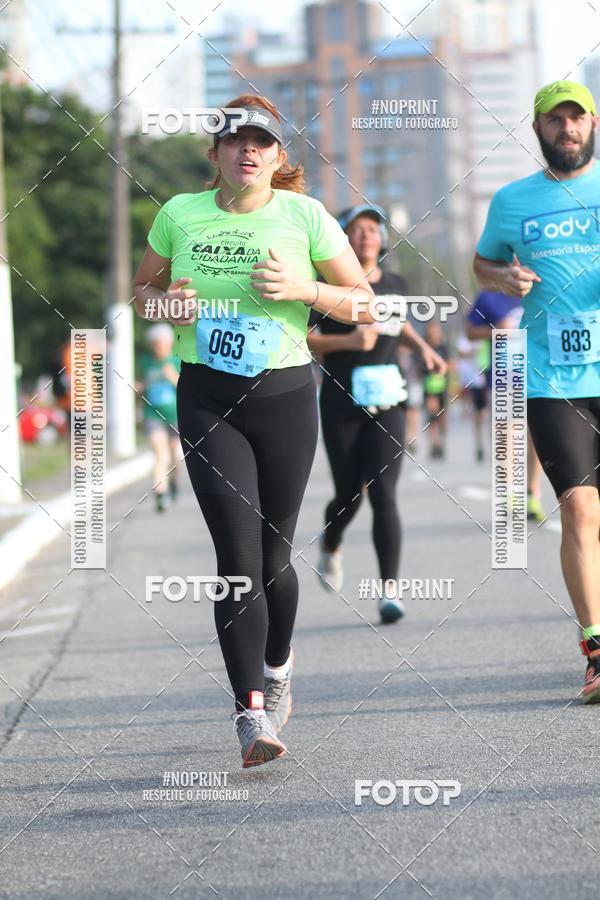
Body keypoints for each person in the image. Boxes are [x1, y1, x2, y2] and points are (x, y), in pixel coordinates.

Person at [133, 94, 375, 767]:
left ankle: (279, 663)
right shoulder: (179, 213)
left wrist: (304, 290)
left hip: (286, 397)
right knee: (237, 561)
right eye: (234, 140)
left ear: (278, 156)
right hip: (207, 399)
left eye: (261, 142)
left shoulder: (305, 217)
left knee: (274, 561)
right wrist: (165, 302)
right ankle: (251, 713)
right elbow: (140, 292)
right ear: (213, 154)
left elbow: (363, 304)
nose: (248, 150)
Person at [474, 80, 600, 703]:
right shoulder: (511, 200)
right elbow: (482, 265)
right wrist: (504, 275)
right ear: (538, 130)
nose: (568, 129)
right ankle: (596, 648)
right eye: (556, 120)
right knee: (580, 508)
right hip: (554, 377)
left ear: (593, 124)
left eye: (577, 118)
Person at [307, 203, 447, 623]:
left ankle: (390, 591)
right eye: (358, 228)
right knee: (349, 495)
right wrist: (350, 343)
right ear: (344, 238)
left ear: (382, 239)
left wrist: (423, 349)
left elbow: (398, 323)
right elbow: (306, 338)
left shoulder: (396, 283)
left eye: (374, 229)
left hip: (389, 400)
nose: (367, 235)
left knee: (384, 493)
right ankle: (331, 542)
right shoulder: (326, 284)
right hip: (340, 400)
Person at [466, 292, 547, 521]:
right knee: (506, 435)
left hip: (537, 375)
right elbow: (469, 331)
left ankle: (532, 493)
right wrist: (496, 329)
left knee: (536, 436)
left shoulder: (538, 291)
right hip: (505, 376)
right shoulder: (489, 298)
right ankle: (510, 493)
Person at [139, 324, 181, 513]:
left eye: (164, 344)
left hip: (175, 414)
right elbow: (139, 386)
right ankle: (160, 495)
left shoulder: (177, 361)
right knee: (160, 453)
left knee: (176, 456)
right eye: (156, 344)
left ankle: (173, 483)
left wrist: (173, 377)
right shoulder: (145, 362)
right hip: (152, 414)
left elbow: (186, 388)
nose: (160, 348)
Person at [455, 331, 488, 462]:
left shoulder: (488, 335)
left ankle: (495, 445)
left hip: (489, 381)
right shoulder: (465, 336)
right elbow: (461, 352)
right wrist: (474, 350)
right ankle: (479, 445)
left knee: (490, 416)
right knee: (478, 416)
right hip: (473, 381)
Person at [422, 320, 451, 459]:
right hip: (429, 387)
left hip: (442, 387)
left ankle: (442, 442)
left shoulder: (443, 348)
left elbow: (451, 364)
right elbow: (418, 365)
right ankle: (434, 444)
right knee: (432, 416)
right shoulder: (424, 347)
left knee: (442, 417)